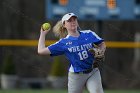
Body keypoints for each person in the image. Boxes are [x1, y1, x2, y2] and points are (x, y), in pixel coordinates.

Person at [38, 13, 106, 93]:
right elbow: (41, 51)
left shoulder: (88, 33)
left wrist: (101, 50)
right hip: (76, 75)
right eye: (69, 21)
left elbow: (102, 44)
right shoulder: (63, 42)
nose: (73, 22)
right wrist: (42, 34)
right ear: (64, 25)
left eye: (74, 19)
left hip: (93, 72)